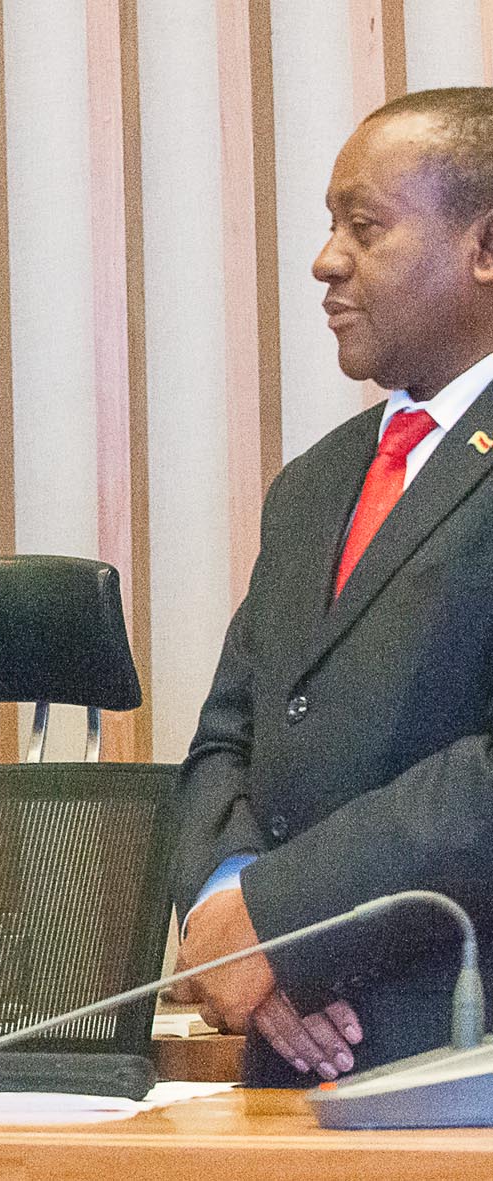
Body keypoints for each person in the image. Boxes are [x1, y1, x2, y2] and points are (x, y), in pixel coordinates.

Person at [172, 87, 493, 1087]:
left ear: (484, 247)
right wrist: (233, 918)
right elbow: (228, 736)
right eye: (327, 224)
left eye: (365, 226)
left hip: (460, 1053)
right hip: (289, 1066)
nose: (324, 259)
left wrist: (284, 919)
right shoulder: (315, 483)